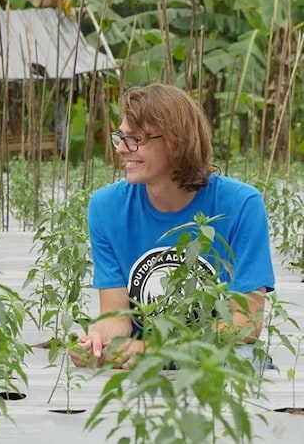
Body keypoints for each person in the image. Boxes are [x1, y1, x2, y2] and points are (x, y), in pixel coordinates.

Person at [73, 83, 275, 369]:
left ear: (176, 142)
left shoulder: (241, 205)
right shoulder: (106, 208)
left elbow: (245, 324)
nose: (120, 149)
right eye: (121, 137)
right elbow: (117, 315)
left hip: (210, 356)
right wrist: (99, 339)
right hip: (141, 358)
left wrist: (162, 350)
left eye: (135, 139)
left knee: (244, 363)